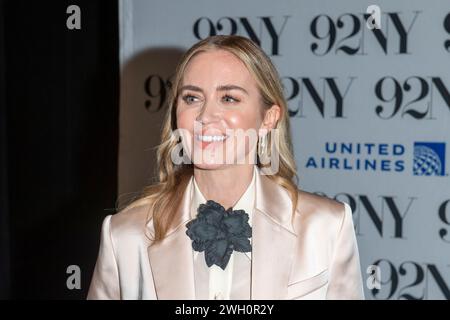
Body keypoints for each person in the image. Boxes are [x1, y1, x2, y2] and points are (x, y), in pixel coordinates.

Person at [87, 35, 364, 300]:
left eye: (229, 98)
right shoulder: (125, 235)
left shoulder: (326, 226)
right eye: (192, 98)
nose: (206, 116)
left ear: (268, 118)